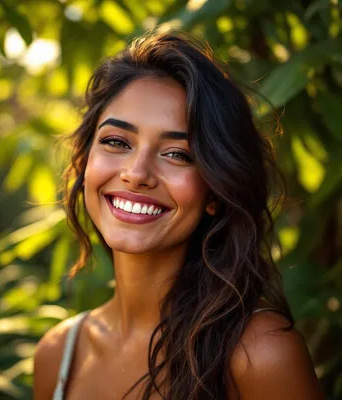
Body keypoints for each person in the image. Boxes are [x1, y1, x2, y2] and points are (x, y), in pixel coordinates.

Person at [33, 30, 324, 399]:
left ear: (216, 191)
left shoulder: (260, 355)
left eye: (177, 154)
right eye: (117, 142)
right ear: (84, 162)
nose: (136, 174)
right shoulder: (57, 355)